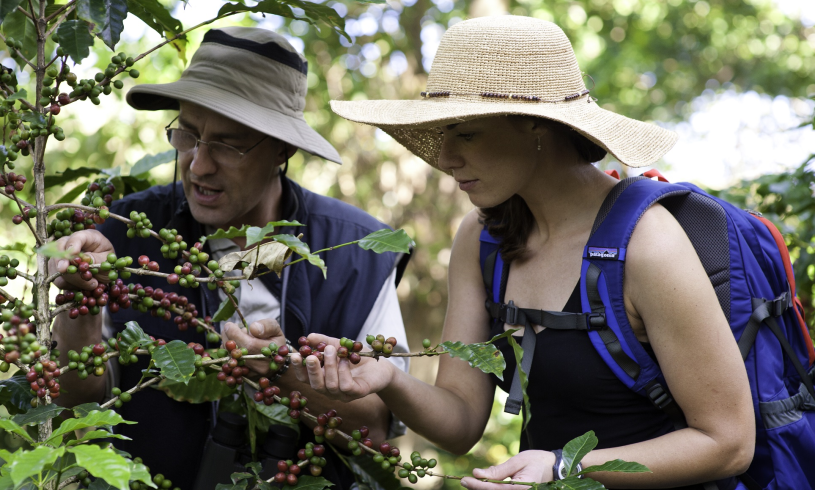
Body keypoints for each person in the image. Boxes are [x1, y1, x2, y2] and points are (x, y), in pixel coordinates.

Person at [290, 15, 755, 489]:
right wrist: (387, 379)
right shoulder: (483, 239)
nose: (445, 158)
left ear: (536, 125)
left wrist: (562, 467)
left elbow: (729, 442)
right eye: (441, 134)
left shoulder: (647, 244)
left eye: (464, 133)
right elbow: (461, 422)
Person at [50, 27, 410, 489]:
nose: (199, 165)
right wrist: (83, 302)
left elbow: (376, 431)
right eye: (189, 135)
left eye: (229, 144)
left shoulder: (354, 251)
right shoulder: (127, 231)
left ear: (283, 149)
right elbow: (77, 406)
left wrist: (286, 378)